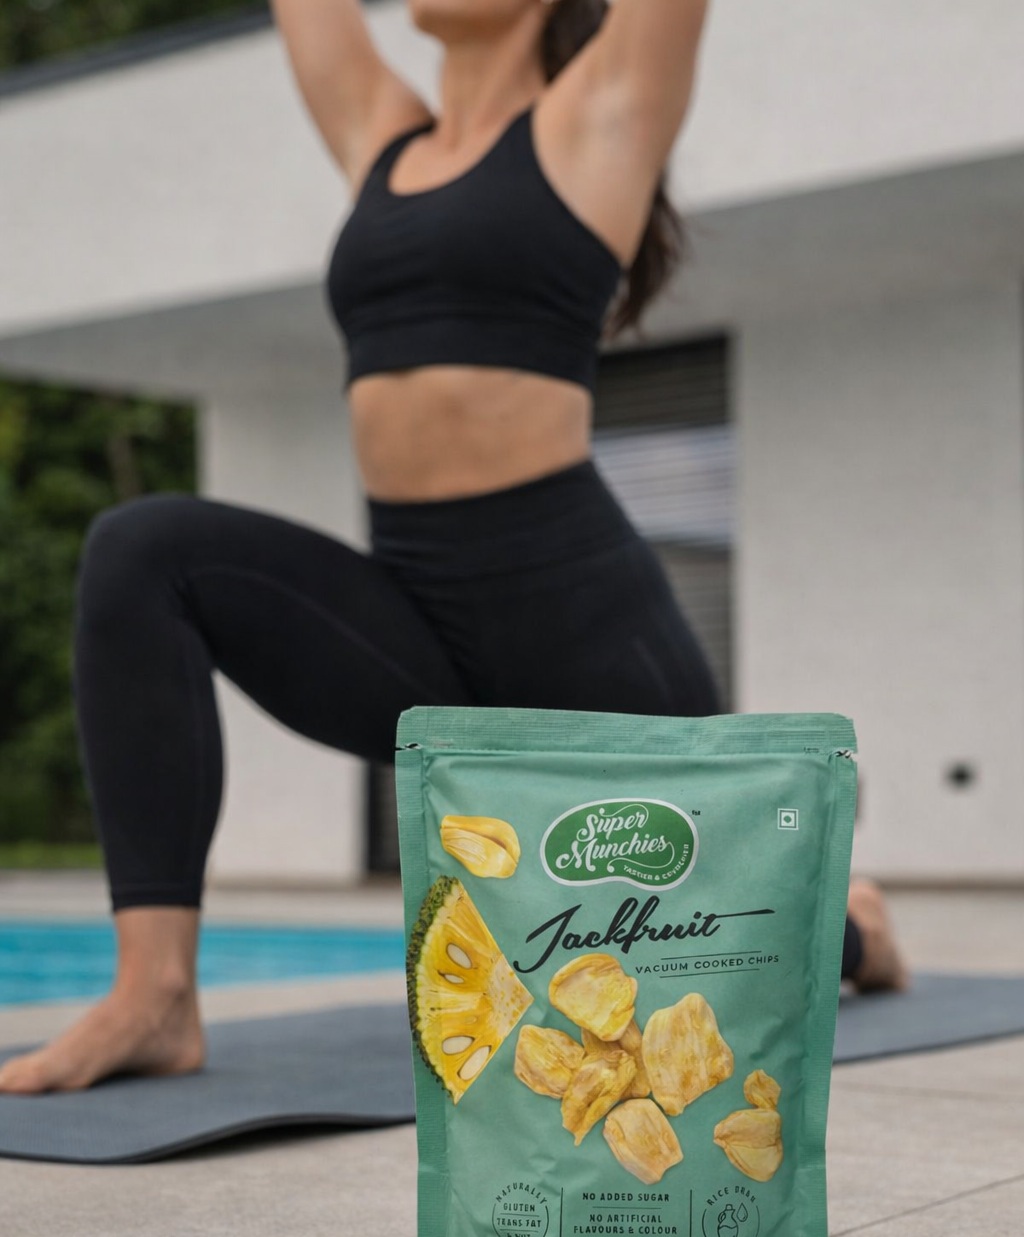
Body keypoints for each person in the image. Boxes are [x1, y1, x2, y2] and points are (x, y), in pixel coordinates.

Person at [0, 0, 907, 1096]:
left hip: (584, 638)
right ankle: (156, 994)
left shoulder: (597, 116)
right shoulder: (383, 135)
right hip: (412, 628)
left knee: (669, 963)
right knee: (145, 550)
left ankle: (850, 931)